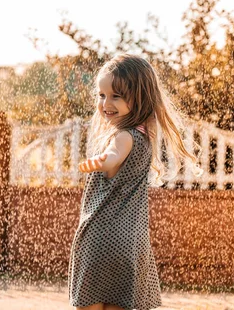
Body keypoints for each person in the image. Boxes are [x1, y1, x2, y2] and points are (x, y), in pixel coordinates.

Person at [68, 54, 201, 310]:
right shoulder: (145, 134)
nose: (106, 103)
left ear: (138, 98)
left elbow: (114, 156)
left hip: (99, 237)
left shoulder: (123, 136)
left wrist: (100, 161)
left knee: (91, 304)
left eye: (116, 96)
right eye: (102, 95)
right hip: (131, 242)